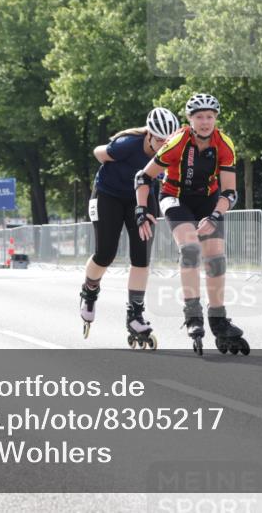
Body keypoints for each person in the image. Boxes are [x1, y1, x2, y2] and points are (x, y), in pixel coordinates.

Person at [134, 94, 249, 356]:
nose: (205, 122)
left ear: (216, 118)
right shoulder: (177, 141)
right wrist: (141, 209)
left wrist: (216, 216)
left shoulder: (224, 144)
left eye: (210, 116)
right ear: (190, 120)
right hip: (175, 196)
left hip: (208, 199)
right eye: (199, 117)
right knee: (190, 249)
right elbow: (143, 176)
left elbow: (230, 192)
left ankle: (218, 319)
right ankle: (193, 314)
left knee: (216, 257)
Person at [80, 107, 181, 349]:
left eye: (168, 141)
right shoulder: (128, 144)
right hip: (108, 194)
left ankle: (135, 314)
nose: (163, 145)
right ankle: (89, 291)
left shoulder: (174, 149)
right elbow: (98, 152)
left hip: (142, 198)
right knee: (106, 253)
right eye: (158, 140)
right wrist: (110, 152)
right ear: (148, 136)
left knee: (141, 257)